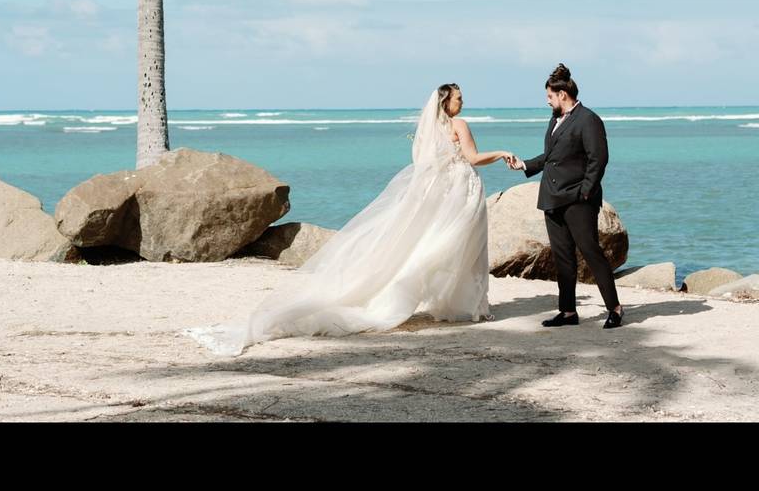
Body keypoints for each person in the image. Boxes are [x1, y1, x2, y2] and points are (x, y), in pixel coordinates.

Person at [183, 84, 514, 356]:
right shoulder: (459, 125)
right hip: (458, 193)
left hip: (439, 192)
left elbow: (425, 163)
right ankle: (463, 307)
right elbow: (471, 158)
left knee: (437, 245)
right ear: (447, 102)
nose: (463, 102)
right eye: (459, 97)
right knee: (462, 247)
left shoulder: (429, 130)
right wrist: (501, 153)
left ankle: (451, 305)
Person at [506, 64, 624, 329]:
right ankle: (568, 312)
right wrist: (523, 165)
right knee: (563, 258)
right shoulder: (554, 119)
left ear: (562, 94)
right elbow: (551, 157)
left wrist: (585, 192)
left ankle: (615, 308)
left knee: (591, 253)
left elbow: (599, 159)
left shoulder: (588, 119)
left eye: (550, 96)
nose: (547, 101)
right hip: (552, 198)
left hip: (578, 200)